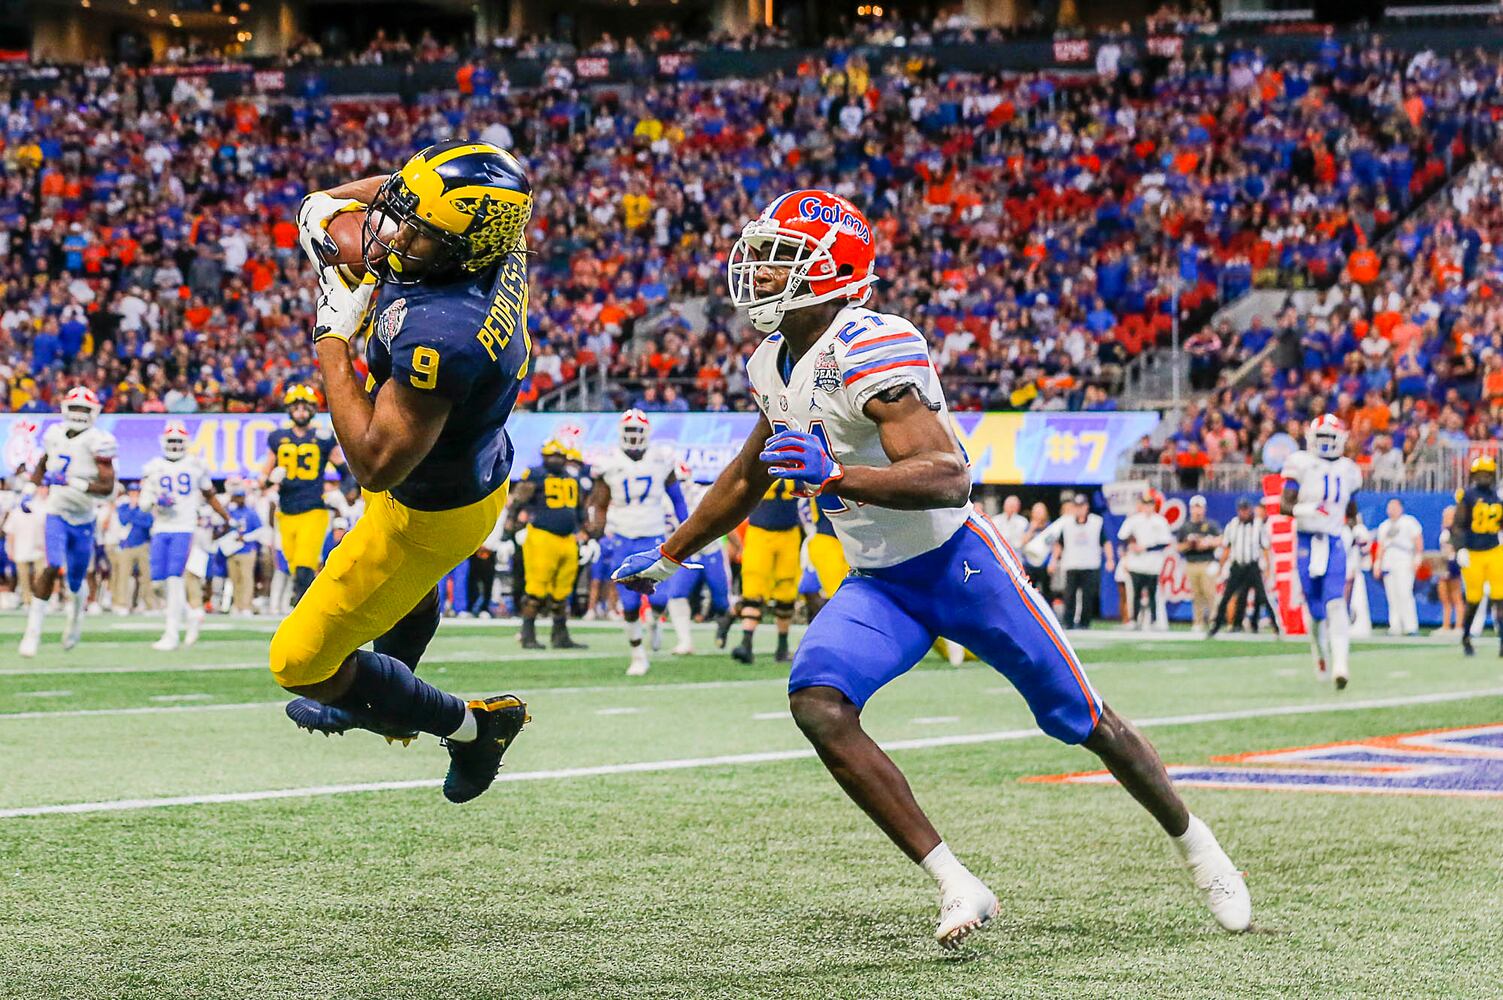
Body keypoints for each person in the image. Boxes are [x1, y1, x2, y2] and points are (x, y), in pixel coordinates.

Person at [612, 189, 1250, 949]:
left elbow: (948, 474)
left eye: (781, 256)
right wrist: (673, 551)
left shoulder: (871, 343)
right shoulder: (769, 359)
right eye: (762, 252)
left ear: (834, 270)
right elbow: (751, 471)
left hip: (958, 565)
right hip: (881, 582)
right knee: (818, 701)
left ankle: (1193, 841)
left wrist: (837, 477)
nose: (758, 269)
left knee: (1081, 719)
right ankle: (956, 881)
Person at [273, 140, 534, 804]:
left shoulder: (445, 332)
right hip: (468, 471)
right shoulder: (483, 238)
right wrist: (328, 204)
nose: (397, 235)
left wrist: (332, 334)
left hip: (428, 512)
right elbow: (394, 194)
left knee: (299, 662)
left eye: (419, 231)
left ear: (459, 245)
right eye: (403, 215)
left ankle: (476, 727)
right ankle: (385, 697)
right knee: (401, 597)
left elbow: (375, 465)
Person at [19, 387, 117, 657]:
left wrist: (75, 483)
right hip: (57, 511)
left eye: (83, 410)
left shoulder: (99, 440)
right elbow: (42, 463)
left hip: (84, 518)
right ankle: (32, 633)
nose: (78, 414)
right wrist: (30, 489)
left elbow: (108, 487)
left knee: (75, 581)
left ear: (94, 412)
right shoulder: (53, 435)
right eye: (74, 408)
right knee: (52, 565)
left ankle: (75, 621)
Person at [588, 409, 686, 675]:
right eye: (629, 432)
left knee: (659, 598)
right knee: (629, 603)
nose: (633, 438)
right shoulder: (609, 462)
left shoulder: (661, 459)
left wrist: (687, 530)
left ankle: (655, 622)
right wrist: (594, 535)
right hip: (622, 536)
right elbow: (598, 503)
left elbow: (678, 500)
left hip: (654, 533)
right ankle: (638, 655)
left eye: (637, 432)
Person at [1280, 415, 1362, 688]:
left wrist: (1356, 528)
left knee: (1336, 602)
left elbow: (1351, 511)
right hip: (1305, 541)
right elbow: (1285, 505)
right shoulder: (1300, 462)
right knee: (1315, 611)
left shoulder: (1349, 470)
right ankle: (1321, 655)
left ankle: (1342, 665)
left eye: (1331, 438)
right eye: (1322, 438)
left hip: (1334, 541)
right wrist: (1307, 509)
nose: (1326, 444)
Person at [140, 421, 231, 650]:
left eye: (178, 441)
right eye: (171, 441)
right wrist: (154, 500)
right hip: (161, 528)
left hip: (184, 527)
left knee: (174, 580)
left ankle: (171, 634)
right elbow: (143, 503)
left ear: (186, 443)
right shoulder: (153, 466)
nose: (174, 445)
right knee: (159, 584)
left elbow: (209, 495)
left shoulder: (196, 465)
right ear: (163, 442)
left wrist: (227, 517)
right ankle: (192, 614)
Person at [261, 385, 346, 606]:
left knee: (304, 566)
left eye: (305, 406)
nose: (300, 411)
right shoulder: (278, 438)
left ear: (313, 409)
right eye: (296, 407)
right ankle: (309, 606)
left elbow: (345, 472)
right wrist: (272, 479)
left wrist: (340, 495)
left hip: (313, 509)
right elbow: (263, 479)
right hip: (286, 511)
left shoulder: (324, 437)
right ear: (289, 409)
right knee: (293, 565)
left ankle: (303, 613)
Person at [503, 437, 590, 650]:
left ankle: (560, 636)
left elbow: (579, 509)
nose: (555, 460)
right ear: (543, 456)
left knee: (562, 592)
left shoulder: (572, 478)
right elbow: (518, 502)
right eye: (551, 456)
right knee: (536, 590)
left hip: (568, 539)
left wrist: (587, 533)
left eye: (559, 456)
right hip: (542, 537)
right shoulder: (536, 474)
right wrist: (508, 531)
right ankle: (527, 634)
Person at [659, 463, 734, 654]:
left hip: (710, 551)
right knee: (676, 595)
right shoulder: (660, 499)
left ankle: (722, 628)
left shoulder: (703, 493)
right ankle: (685, 641)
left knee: (721, 601)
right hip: (685, 554)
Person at [733, 476, 803, 663]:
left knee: (786, 591)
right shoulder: (760, 459)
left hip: (788, 533)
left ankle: (782, 646)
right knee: (753, 588)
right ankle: (746, 643)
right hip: (759, 532)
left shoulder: (797, 461)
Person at [1452, 455, 1503, 656]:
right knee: (1473, 599)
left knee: (1500, 598)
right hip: (1473, 552)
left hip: (1494, 550)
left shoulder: (1497, 497)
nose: (1483, 477)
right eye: (1480, 473)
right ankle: (1466, 637)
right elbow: (1458, 524)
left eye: (1486, 473)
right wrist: (1460, 548)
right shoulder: (1468, 496)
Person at [1210, 498, 1278, 636]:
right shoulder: (1232, 525)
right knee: (1226, 597)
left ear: (1250, 509)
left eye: (1246, 509)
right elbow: (1227, 548)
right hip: (1237, 566)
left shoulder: (1258, 525)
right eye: (1241, 509)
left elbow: (1265, 548)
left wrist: (1268, 569)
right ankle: (1216, 626)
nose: (1244, 512)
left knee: (1262, 596)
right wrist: (1221, 566)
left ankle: (1276, 626)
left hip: (1252, 566)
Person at [1050, 493, 1113, 629]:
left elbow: (1105, 542)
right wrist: (1053, 561)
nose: (1079, 509)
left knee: (1087, 596)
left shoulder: (1096, 522)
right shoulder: (1066, 523)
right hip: (1071, 563)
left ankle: (1085, 622)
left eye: (1082, 506)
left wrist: (1110, 559)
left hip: (1090, 563)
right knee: (1069, 595)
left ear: (1087, 507)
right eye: (1077, 506)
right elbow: (1059, 544)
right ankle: (1069, 621)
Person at [1117, 489, 1173, 631]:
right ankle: (1134, 619)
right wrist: (1131, 544)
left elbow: (1165, 542)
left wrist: (1145, 548)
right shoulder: (1133, 520)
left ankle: (1154, 620)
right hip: (1136, 563)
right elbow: (1122, 537)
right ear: (1141, 505)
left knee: (1152, 593)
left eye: (1150, 504)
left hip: (1153, 563)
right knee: (1135, 593)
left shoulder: (1160, 521)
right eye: (1145, 504)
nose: (1148, 507)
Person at [1374, 497, 1423, 637]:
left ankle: (1410, 626)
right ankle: (1395, 626)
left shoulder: (1409, 522)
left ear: (1401, 508)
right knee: (1392, 595)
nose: (1391, 510)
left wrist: (1417, 559)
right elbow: (1381, 546)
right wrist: (1378, 563)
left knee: (1405, 593)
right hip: (1389, 561)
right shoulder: (1384, 526)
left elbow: (1418, 541)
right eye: (1389, 507)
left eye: (1394, 507)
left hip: (1404, 559)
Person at [1176, 495, 1221, 632]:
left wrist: (1206, 543)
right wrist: (1190, 544)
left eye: (1199, 507)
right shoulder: (1186, 527)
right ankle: (1198, 621)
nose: (1197, 510)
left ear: (1204, 509)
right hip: (1191, 562)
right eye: (1195, 507)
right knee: (1196, 594)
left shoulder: (1210, 525)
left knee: (1210, 593)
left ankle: (1214, 620)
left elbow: (1220, 540)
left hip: (1207, 562)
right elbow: (1178, 547)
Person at [221, 478, 263, 616]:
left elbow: (260, 530)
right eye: (236, 497)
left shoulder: (251, 512)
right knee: (234, 579)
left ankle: (246, 606)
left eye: (240, 497)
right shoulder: (230, 512)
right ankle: (237, 605)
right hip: (232, 550)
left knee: (246, 579)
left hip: (247, 550)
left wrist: (245, 537)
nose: (238, 499)